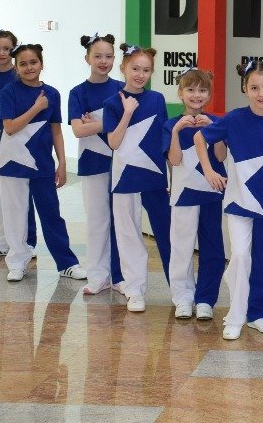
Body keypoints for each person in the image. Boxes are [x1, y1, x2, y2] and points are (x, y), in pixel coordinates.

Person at [196, 60, 263, 340]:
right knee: (241, 255)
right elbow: (200, 138)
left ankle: (260, 314)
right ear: (245, 89)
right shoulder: (234, 119)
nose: (261, 93)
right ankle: (236, 315)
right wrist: (208, 171)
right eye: (254, 87)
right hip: (238, 202)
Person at [0, 43, 84, 283]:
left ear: (42, 64)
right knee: (15, 215)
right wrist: (36, 108)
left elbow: (56, 131)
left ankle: (67, 263)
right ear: (16, 67)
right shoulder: (8, 92)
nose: (29, 67)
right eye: (23, 64)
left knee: (51, 214)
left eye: (33, 62)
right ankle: (17, 262)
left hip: (42, 165)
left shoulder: (52, 94)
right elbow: (10, 127)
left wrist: (62, 163)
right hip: (12, 166)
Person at [103, 44, 172, 313]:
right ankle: (134, 290)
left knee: (167, 233)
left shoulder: (157, 99)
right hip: (125, 178)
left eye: (146, 70)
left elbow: (164, 139)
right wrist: (128, 112)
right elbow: (113, 142)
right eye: (135, 69)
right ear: (123, 68)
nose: (140, 75)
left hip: (154, 177)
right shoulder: (112, 103)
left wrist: (172, 175)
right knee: (128, 233)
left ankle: (180, 290)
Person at [165, 68, 227, 321]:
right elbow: (174, 160)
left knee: (213, 249)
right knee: (181, 247)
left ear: (209, 94)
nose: (196, 95)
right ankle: (182, 297)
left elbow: (221, 156)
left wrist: (213, 129)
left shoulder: (216, 122)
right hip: (183, 196)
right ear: (180, 93)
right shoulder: (171, 124)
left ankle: (205, 300)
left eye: (202, 90)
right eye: (190, 89)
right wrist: (176, 132)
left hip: (211, 194)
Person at [67, 32, 125, 295]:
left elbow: (130, 125)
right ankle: (98, 275)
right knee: (97, 220)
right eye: (98, 56)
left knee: (122, 221)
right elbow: (78, 130)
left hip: (121, 163)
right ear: (87, 58)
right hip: (92, 163)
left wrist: (97, 123)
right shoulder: (78, 92)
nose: (104, 61)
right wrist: (110, 123)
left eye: (109, 56)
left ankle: (121, 276)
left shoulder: (122, 89)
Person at [0, 29, 37, 258]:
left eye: (7, 49)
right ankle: (3, 240)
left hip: (20, 146)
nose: (1, 53)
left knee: (22, 195)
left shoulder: (20, 77)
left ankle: (27, 242)